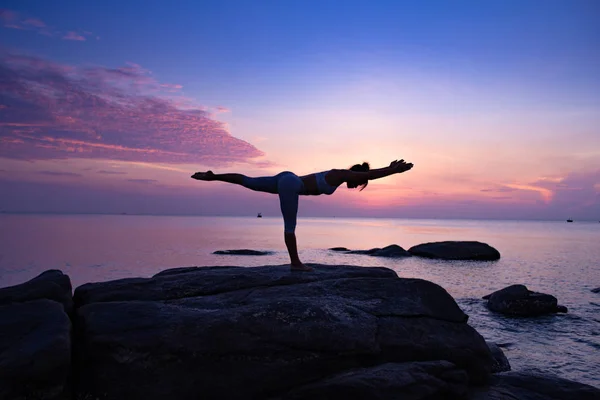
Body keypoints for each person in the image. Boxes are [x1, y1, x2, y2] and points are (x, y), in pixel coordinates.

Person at [192, 159, 414, 271]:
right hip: (291, 184)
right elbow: (371, 174)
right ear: (357, 176)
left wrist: (388, 168)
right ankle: (295, 263)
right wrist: (392, 170)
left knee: (248, 181)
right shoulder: (342, 173)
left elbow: (367, 174)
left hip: (287, 178)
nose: (356, 186)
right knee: (290, 226)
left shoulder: (337, 174)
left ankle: (213, 176)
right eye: (359, 183)